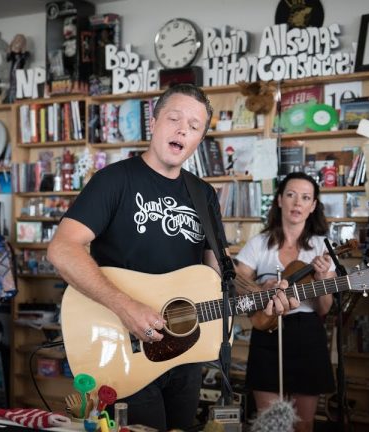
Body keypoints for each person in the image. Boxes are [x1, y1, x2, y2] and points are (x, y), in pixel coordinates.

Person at [46, 84, 298, 431]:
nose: (183, 129)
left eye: (195, 127)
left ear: (199, 140)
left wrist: (260, 292)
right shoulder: (113, 181)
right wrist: (125, 306)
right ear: (155, 122)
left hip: (186, 351)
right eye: (174, 118)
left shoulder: (203, 194)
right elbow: (62, 249)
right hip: (122, 347)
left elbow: (220, 269)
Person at [234, 172, 336, 432]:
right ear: (279, 200)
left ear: (313, 206)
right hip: (267, 330)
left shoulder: (321, 246)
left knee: (304, 424)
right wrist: (261, 288)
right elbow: (236, 282)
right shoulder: (259, 243)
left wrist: (323, 276)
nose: (297, 203)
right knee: (269, 423)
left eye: (305, 198)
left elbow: (324, 308)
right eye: (291, 195)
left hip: (307, 333)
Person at [6, 34, 30, 103]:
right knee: (12, 89)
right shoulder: (12, 54)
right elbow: (8, 58)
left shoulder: (25, 54)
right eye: (16, 40)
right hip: (12, 74)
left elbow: (25, 58)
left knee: (18, 89)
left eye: (19, 40)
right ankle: (11, 101)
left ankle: (16, 101)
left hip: (20, 75)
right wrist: (10, 47)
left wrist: (22, 49)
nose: (17, 42)